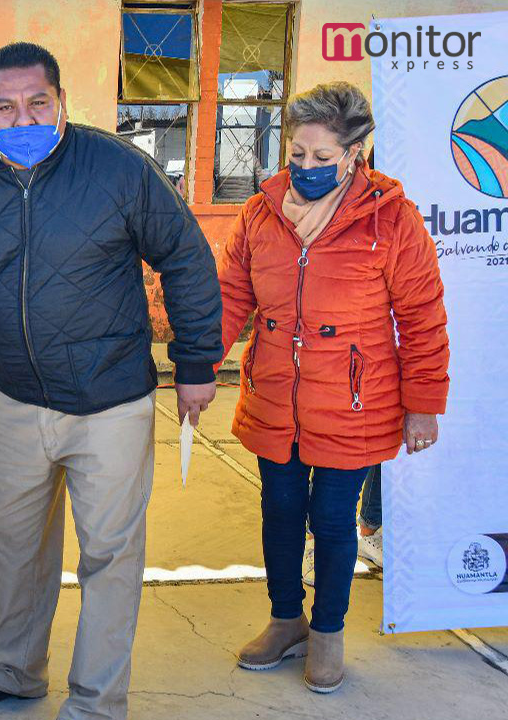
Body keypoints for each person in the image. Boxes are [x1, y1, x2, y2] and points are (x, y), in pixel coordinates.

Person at [0, 43, 224, 720]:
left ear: (61, 102)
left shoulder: (119, 169)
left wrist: (195, 363)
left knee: (109, 560)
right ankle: (12, 672)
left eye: (39, 102)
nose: (24, 116)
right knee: (8, 546)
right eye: (6, 106)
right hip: (14, 401)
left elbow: (183, 256)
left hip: (112, 402)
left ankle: (95, 703)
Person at [217, 81, 449, 694]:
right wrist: (195, 365)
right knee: (281, 510)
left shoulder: (391, 218)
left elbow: (422, 315)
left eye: (322, 158)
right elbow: (230, 297)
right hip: (274, 393)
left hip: (354, 399)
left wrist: (423, 405)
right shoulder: (259, 211)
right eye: (296, 155)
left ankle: (328, 633)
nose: (306, 168)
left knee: (333, 518)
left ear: (355, 153)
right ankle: (286, 620)